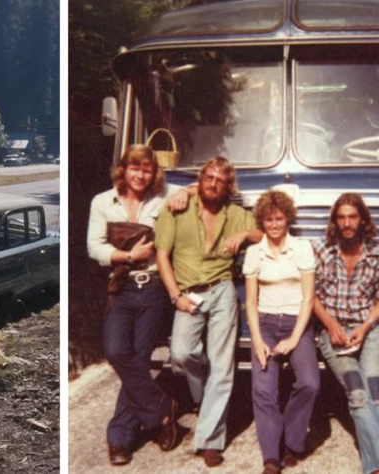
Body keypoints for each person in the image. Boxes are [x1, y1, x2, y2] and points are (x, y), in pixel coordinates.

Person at [87, 144, 192, 465]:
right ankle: (161, 410)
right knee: (117, 353)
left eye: (147, 169)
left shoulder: (162, 196)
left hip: (153, 290)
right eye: (135, 168)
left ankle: (119, 437)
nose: (140, 175)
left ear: (154, 173)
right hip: (121, 286)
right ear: (124, 169)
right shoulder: (103, 202)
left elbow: (201, 186)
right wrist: (128, 256)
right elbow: (94, 247)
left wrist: (187, 192)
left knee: (138, 359)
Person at [155, 156, 262, 467]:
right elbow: (162, 256)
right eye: (208, 177)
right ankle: (203, 398)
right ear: (199, 181)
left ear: (227, 187)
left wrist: (244, 235)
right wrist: (176, 297)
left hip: (223, 291)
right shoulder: (176, 208)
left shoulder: (236, 214)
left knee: (222, 366)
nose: (213, 183)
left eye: (220, 180)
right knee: (181, 354)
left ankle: (210, 440)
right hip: (188, 294)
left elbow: (262, 234)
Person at [313, 193, 379, 474]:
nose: (347, 223)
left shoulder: (376, 252)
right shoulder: (322, 250)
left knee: (376, 395)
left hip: (367, 331)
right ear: (335, 221)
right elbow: (311, 297)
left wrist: (364, 328)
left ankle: (376, 466)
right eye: (341, 217)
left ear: (362, 219)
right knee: (358, 394)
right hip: (335, 333)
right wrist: (330, 324)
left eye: (352, 216)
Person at [242, 191, 318, 474]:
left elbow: (309, 299)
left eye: (279, 219)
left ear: (287, 219)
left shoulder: (302, 248)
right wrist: (258, 340)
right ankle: (271, 458)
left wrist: (295, 338)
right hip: (266, 324)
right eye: (268, 220)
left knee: (310, 382)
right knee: (263, 389)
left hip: (298, 323)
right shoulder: (254, 253)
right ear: (262, 221)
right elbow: (250, 301)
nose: (274, 225)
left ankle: (292, 441)